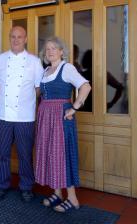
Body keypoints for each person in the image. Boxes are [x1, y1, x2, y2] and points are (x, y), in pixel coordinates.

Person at [35, 36, 91, 212]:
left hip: (60, 116)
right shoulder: (45, 72)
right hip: (45, 116)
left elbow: (85, 86)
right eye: (47, 49)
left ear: (61, 51)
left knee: (62, 154)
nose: (50, 51)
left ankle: (72, 198)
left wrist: (74, 107)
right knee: (51, 153)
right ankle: (58, 193)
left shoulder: (67, 68)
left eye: (54, 48)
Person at [0, 26, 44, 202]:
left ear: (26, 39)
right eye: (13, 36)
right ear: (9, 38)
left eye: (19, 37)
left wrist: (25, 100)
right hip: (2, 115)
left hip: (25, 116)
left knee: (25, 154)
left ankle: (26, 187)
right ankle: (1, 185)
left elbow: (38, 88)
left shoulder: (35, 61)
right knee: (3, 153)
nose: (16, 40)